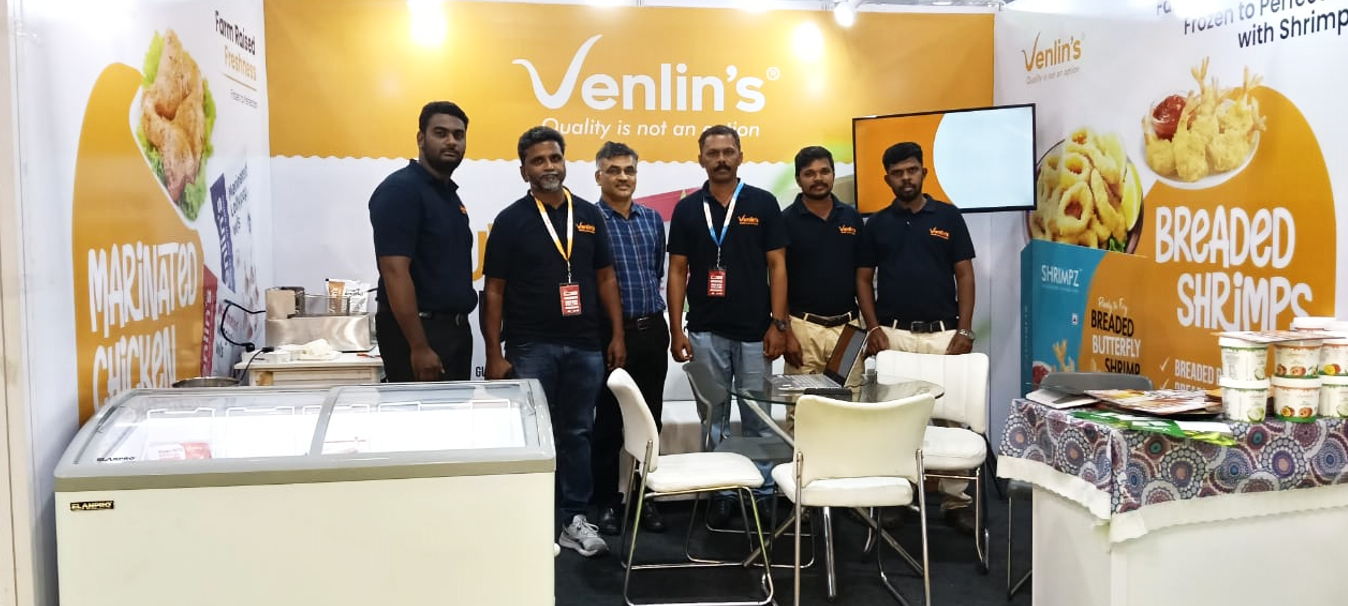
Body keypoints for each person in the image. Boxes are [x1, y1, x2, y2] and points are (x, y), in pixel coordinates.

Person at [482, 126, 627, 557]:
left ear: (565, 162)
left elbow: (606, 278)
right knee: (534, 434)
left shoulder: (589, 215)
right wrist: (493, 353)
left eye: (555, 158)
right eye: (539, 160)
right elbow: (494, 291)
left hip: (585, 344)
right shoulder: (510, 220)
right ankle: (532, 522)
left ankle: (573, 520)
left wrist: (617, 334)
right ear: (523, 170)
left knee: (579, 431)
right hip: (531, 346)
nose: (549, 166)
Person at [667, 125, 788, 525]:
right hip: (704, 332)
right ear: (700, 158)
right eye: (713, 152)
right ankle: (720, 490)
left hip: (756, 333)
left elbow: (777, 266)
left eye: (728, 151)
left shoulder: (763, 203)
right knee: (713, 418)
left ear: (740, 155)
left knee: (759, 418)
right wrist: (676, 330)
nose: (721, 159)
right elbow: (677, 271)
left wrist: (779, 324)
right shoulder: (687, 209)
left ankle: (764, 490)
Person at [857, 141, 978, 534]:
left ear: (923, 172)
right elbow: (863, 280)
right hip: (894, 336)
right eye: (897, 173)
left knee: (952, 420)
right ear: (887, 179)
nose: (905, 178)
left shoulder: (948, 216)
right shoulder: (876, 224)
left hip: (944, 337)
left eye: (911, 170)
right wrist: (873, 328)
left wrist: (964, 329)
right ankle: (898, 495)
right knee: (894, 420)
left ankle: (956, 501)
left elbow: (965, 275)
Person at [588, 142, 670, 537]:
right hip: (609, 335)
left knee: (650, 420)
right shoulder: (588, 220)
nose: (623, 177)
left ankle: (643, 499)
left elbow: (656, 271)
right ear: (598, 176)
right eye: (614, 170)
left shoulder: (652, 218)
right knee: (607, 423)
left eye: (629, 170)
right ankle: (605, 503)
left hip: (651, 330)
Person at [368, 101, 477, 382]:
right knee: (419, 412)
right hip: (418, 334)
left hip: (454, 331)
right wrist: (418, 346)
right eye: (441, 133)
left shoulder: (449, 195)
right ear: (420, 138)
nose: (451, 141)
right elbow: (394, 271)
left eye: (458, 135)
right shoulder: (400, 190)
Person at [781, 146, 865, 434]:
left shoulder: (851, 217)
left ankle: (847, 465)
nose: (818, 178)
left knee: (849, 410)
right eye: (809, 173)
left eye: (824, 171)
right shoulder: (785, 221)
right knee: (801, 413)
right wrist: (785, 332)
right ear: (798, 179)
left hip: (849, 331)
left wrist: (870, 328)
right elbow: (777, 280)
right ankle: (799, 466)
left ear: (833, 174)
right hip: (803, 329)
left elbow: (864, 278)